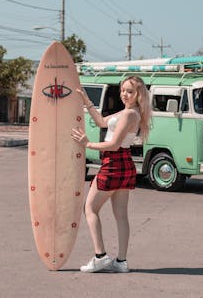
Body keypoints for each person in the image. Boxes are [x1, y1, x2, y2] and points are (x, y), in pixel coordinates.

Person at [71, 76, 151, 273]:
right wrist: (87, 101)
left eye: (130, 91)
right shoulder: (130, 113)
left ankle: (100, 256)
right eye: (123, 90)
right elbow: (100, 122)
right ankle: (121, 262)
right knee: (121, 215)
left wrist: (87, 144)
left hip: (114, 162)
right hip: (124, 164)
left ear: (138, 94)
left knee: (90, 209)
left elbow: (113, 144)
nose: (124, 94)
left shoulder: (129, 115)